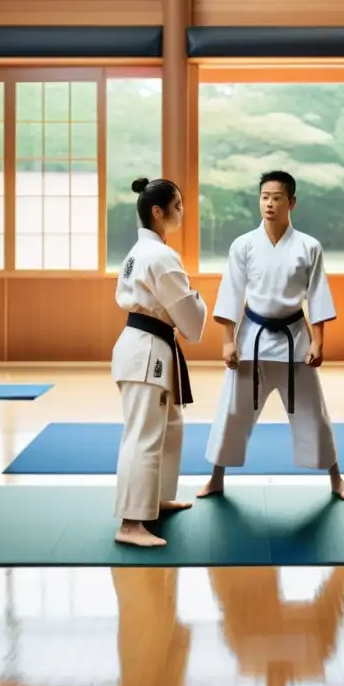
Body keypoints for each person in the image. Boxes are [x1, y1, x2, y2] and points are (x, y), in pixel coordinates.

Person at [198, 170, 344, 501]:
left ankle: (336, 478)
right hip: (251, 338)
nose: (269, 203)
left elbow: (318, 296)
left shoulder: (308, 246)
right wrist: (228, 340)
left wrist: (318, 341)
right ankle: (216, 478)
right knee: (233, 410)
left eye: (276, 197)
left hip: (294, 337)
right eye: (264, 197)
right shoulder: (243, 245)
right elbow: (231, 293)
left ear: (291, 202)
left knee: (313, 410)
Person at [112, 177, 207, 547]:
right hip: (146, 350)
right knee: (144, 436)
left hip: (147, 346)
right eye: (178, 205)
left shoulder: (140, 252)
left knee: (171, 426)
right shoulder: (159, 256)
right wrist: (196, 298)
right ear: (158, 211)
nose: (182, 211)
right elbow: (190, 318)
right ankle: (131, 523)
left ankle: (156, 499)